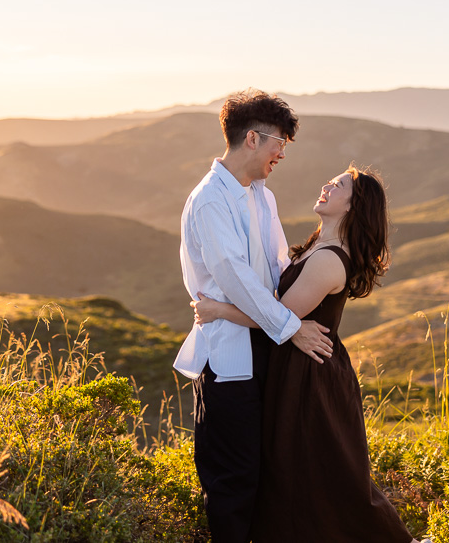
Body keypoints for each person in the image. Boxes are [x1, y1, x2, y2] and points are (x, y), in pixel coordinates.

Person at [193, 166, 425, 543]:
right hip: (296, 367)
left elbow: (278, 315)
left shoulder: (330, 259)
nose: (326, 186)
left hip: (311, 377)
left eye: (337, 186)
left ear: (354, 205)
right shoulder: (319, 244)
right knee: (301, 471)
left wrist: (218, 311)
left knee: (326, 474)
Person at [173, 89, 334, 543]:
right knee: (233, 478)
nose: (282, 152)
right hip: (229, 361)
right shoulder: (210, 201)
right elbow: (236, 276)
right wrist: (292, 328)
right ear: (252, 139)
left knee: (269, 470)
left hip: (265, 348)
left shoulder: (261, 195)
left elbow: (277, 269)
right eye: (279, 141)